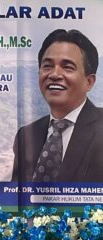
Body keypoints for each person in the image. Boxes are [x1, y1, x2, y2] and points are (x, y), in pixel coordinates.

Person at [12, 29, 103, 182]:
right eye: (47, 66)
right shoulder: (26, 136)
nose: (54, 74)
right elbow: (15, 199)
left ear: (89, 81)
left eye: (67, 67)